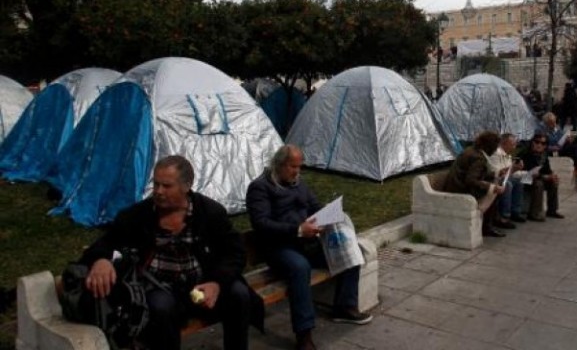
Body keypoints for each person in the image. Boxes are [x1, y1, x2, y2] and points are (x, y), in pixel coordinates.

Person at [79, 155, 254, 350]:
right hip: (160, 287)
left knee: (239, 294)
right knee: (161, 307)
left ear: (187, 186)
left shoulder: (209, 212)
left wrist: (216, 282)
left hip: (202, 284)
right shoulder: (138, 215)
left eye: (167, 186)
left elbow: (235, 253)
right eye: (156, 184)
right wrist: (101, 260)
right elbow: (106, 242)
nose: (158, 191)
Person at [246, 145, 372, 350]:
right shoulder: (260, 187)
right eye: (292, 167)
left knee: (350, 248)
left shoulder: (299, 184)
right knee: (300, 268)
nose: (297, 171)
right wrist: (297, 229)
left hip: (307, 243)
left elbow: (315, 206)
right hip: (279, 248)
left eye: (299, 167)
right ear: (278, 165)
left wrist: (329, 217)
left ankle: (344, 307)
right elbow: (261, 224)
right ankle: (304, 334)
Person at [444, 131, 509, 237]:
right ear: (490, 146)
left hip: (456, 185)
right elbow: (471, 180)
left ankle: (490, 223)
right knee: (496, 191)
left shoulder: (472, 150)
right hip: (460, 189)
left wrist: (497, 173)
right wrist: (492, 187)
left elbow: (477, 173)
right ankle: (486, 226)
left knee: (495, 186)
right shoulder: (479, 158)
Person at [539, 112, 577, 190]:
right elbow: (540, 145)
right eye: (551, 123)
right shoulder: (541, 130)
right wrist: (551, 147)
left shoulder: (555, 129)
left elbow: (562, 136)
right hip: (552, 151)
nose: (554, 124)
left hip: (560, 148)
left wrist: (567, 139)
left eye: (555, 122)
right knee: (576, 149)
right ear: (546, 123)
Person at [520, 133, 564, 222]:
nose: (539, 145)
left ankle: (552, 210)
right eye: (537, 142)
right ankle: (535, 213)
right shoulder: (526, 154)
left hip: (538, 177)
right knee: (538, 184)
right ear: (532, 142)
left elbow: (547, 170)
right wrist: (545, 177)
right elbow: (528, 172)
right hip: (525, 178)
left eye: (543, 143)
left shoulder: (544, 155)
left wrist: (552, 175)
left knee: (553, 182)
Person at [487, 133, 527, 224]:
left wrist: (525, 173)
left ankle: (516, 211)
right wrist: (513, 169)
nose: (514, 147)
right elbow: (497, 173)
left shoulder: (507, 155)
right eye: (512, 144)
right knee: (508, 185)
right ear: (504, 143)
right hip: (494, 179)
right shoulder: (496, 154)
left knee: (519, 182)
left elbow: (510, 173)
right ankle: (505, 215)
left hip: (504, 178)